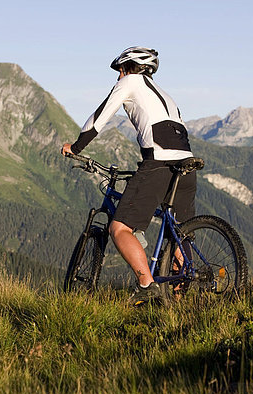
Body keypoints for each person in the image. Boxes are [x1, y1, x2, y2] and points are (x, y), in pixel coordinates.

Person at [61, 47, 196, 306]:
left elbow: (100, 116)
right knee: (181, 233)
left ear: (129, 68)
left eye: (119, 71)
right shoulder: (166, 96)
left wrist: (76, 147)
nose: (118, 78)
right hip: (186, 165)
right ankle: (182, 297)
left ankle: (146, 285)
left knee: (119, 227)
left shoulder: (130, 83)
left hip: (158, 163)